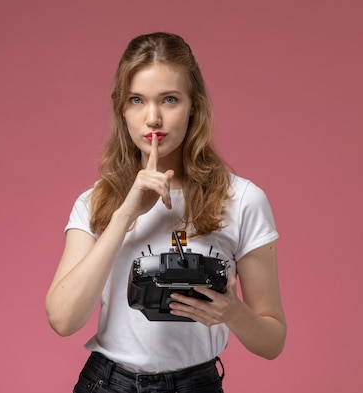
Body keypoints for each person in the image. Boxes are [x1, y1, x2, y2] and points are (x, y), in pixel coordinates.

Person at [45, 32, 286, 393]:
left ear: (194, 106)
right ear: (121, 109)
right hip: (107, 383)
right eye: (137, 100)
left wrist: (233, 313)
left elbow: (272, 341)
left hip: (196, 384)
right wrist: (125, 214)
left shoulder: (243, 199)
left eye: (169, 99)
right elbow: (63, 319)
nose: (153, 118)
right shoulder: (96, 201)